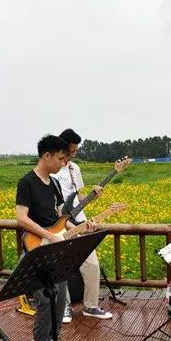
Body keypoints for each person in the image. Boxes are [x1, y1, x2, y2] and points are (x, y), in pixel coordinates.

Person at [15, 135, 94, 341]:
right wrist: (48, 235)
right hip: (37, 246)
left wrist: (77, 228)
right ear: (46, 155)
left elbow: (61, 218)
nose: (62, 163)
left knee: (59, 297)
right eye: (60, 158)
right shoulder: (27, 182)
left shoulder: (56, 184)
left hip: (55, 247)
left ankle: (53, 340)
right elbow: (20, 217)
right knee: (43, 300)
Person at [52, 129, 113, 322]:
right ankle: (65, 307)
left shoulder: (74, 169)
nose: (74, 154)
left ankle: (91, 305)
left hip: (79, 222)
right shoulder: (53, 170)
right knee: (61, 267)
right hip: (58, 225)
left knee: (92, 264)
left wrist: (92, 196)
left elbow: (78, 198)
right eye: (72, 150)